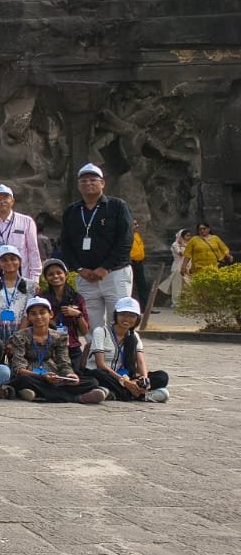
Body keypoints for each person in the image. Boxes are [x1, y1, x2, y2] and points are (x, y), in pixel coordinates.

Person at [59, 163, 134, 335]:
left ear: (102, 183)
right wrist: (78, 268)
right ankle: (95, 358)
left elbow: (125, 240)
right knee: (90, 322)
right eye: (84, 181)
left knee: (121, 318)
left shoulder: (117, 206)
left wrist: (106, 267)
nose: (88, 184)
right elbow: (65, 244)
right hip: (85, 276)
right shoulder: (72, 211)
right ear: (78, 185)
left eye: (93, 180)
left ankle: (121, 358)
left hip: (114, 273)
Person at [6, 297, 104, 404]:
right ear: (29, 317)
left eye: (42, 313)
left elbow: (63, 361)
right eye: (33, 314)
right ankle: (75, 398)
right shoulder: (20, 336)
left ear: (50, 314)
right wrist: (42, 376)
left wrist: (70, 375)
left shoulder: (59, 337)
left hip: (54, 376)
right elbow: (18, 368)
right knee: (23, 380)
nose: (38, 317)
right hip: (32, 376)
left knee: (92, 382)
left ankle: (39, 394)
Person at [82, 297, 169, 402]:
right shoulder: (101, 332)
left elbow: (140, 362)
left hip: (126, 377)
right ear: (116, 315)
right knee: (98, 375)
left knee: (162, 377)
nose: (127, 319)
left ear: (137, 318)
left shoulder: (134, 336)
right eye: (123, 314)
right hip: (107, 375)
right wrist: (125, 382)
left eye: (132, 316)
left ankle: (115, 393)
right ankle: (136, 395)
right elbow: (101, 364)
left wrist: (144, 379)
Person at [36, 257, 90, 365]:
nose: (55, 276)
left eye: (59, 273)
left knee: (79, 378)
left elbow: (85, 331)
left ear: (66, 275)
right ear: (46, 278)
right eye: (50, 274)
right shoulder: (40, 298)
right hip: (48, 348)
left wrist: (78, 314)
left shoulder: (77, 298)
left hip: (72, 347)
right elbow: (33, 322)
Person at [0, 244, 33, 348]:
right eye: (4, 260)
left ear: (20, 262)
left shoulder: (29, 285)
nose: (9, 262)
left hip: (21, 332)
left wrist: (17, 339)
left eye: (13, 259)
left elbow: (28, 314)